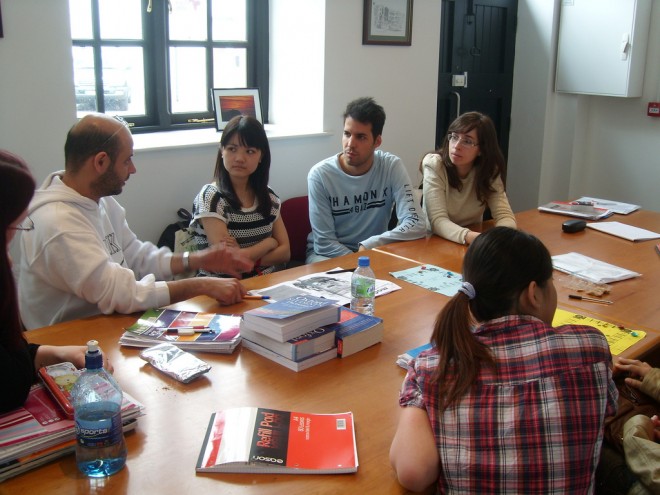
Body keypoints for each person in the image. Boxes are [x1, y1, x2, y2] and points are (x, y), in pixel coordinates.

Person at [390, 227, 617, 493]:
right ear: (533, 293)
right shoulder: (591, 348)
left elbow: (413, 472)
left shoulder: (431, 367)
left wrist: (414, 387)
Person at [18, 114, 254, 330]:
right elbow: (123, 294)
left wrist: (197, 259)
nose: (133, 169)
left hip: (107, 325)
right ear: (100, 162)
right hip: (68, 340)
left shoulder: (101, 201)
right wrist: (201, 285)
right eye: (127, 160)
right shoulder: (58, 223)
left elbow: (137, 257)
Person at [0, 149, 107, 414]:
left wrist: (55, 354)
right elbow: (9, 386)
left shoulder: (105, 206)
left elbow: (8, 353)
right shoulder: (57, 219)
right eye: (13, 227)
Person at [306, 97, 425, 263]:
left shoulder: (391, 166)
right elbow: (324, 243)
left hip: (372, 252)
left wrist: (371, 244)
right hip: (327, 256)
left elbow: (416, 223)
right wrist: (361, 261)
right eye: (347, 134)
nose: (350, 144)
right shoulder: (320, 175)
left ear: (377, 141)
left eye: (361, 137)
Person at [189, 115, 290, 277]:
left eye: (250, 151)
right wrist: (269, 243)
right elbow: (229, 263)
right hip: (221, 285)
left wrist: (247, 257)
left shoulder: (269, 197)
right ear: (222, 151)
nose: (239, 158)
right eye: (232, 149)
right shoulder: (212, 197)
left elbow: (285, 253)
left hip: (265, 282)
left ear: (261, 156)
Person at [421, 111, 516, 245]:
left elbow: (504, 214)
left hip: (471, 239)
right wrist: (474, 238)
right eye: (454, 137)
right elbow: (437, 220)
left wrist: (501, 237)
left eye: (467, 141)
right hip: (435, 241)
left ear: (481, 149)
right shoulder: (434, 164)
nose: (456, 146)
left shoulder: (488, 169)